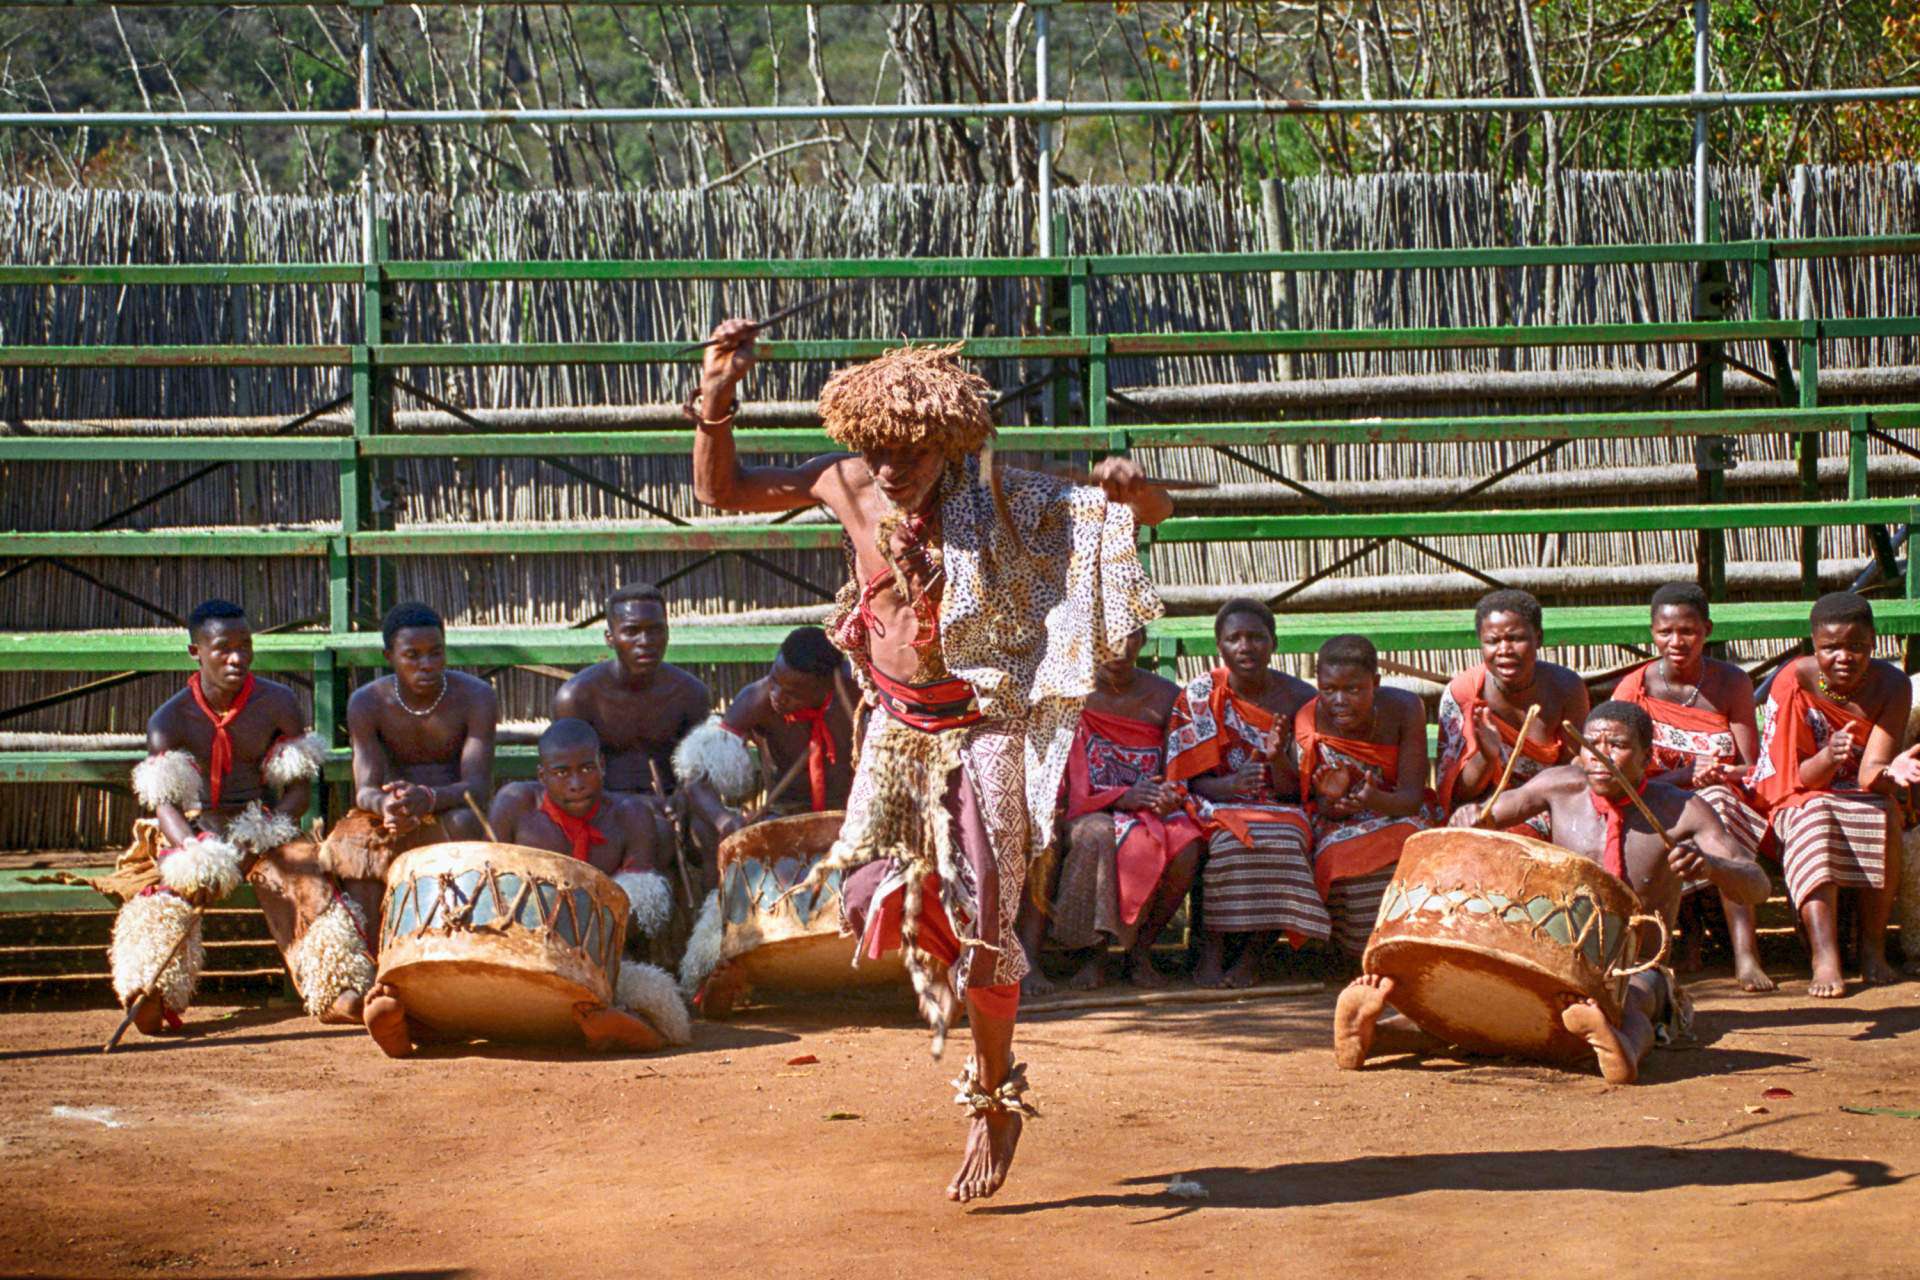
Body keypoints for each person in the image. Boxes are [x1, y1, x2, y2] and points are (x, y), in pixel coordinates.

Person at [690, 321, 1168, 1203]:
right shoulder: (847, 484)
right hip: (897, 729)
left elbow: (1134, 519)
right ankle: (963, 966)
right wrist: (717, 398)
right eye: (875, 449)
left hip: (985, 724)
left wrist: (1134, 495)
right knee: (874, 900)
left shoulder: (1006, 497)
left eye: (909, 450)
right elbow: (724, 493)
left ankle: (992, 1096)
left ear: (948, 443)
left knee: (986, 914)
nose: (891, 467)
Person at [1338, 702, 1771, 1083]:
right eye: (1592, 744)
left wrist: (1712, 866)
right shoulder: (1561, 785)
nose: (1600, 756)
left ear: (1647, 755)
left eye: (1616, 745)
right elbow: (1490, 815)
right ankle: (1383, 1033)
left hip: (1632, 965)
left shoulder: (1682, 810)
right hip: (1550, 955)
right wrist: (1473, 816)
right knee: (1480, 1009)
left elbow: (1755, 884)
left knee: (1638, 998)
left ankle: (1620, 1048)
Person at [89, 601, 356, 1035]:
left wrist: (266, 832)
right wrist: (195, 850)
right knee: (167, 886)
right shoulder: (169, 719)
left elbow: (300, 791)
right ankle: (150, 990)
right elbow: (165, 805)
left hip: (265, 822)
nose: (237, 658)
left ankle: (338, 986)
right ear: (196, 652)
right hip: (195, 828)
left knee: (307, 876)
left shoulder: (278, 702)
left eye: (245, 646)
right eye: (223, 648)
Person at [361, 719, 690, 1057]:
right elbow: (486, 889)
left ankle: (610, 1026)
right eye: (562, 773)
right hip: (503, 957)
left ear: (603, 766)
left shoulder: (631, 814)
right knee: (442, 995)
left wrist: (578, 947)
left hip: (599, 971)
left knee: (662, 1005)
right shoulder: (516, 804)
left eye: (587, 768)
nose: (576, 783)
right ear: (542, 775)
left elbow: (642, 912)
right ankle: (401, 1031)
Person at [1014, 627, 1202, 994]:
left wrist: (1168, 793)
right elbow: (1050, 771)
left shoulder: (1165, 697)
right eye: (1106, 636)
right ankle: (1083, 955)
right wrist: (1118, 797)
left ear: (1143, 639)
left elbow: (1183, 763)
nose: (1119, 647)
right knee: (1093, 834)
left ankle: (1139, 952)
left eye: (1129, 636)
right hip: (1077, 806)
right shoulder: (1065, 694)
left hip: (1148, 808)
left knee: (1189, 842)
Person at [1750, 592, 1920, 997]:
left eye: (1857, 647)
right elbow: (1789, 777)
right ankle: (1824, 956)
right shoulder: (1793, 680)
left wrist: (1893, 774)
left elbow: (1870, 773)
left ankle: (1872, 949)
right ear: (1814, 646)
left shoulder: (1891, 685)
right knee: (1817, 813)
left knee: (1884, 813)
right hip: (1799, 793)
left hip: (1860, 793)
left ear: (1874, 643)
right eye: (1831, 648)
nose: (1844, 657)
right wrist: (1828, 756)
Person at [1612, 583, 1773, 991]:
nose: (1676, 641)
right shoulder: (1636, 689)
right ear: (1652, 632)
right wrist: (1683, 779)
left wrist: (1718, 775)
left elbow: (1749, 765)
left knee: (1714, 804)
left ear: (1707, 630)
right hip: (1658, 795)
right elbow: (1620, 773)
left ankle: (1745, 952)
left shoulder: (1731, 682)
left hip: (1725, 795)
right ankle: (1682, 939)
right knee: (1672, 810)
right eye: (1666, 632)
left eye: (1688, 631)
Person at [1165, 599, 1321, 989]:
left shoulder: (1300, 698)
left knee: (1285, 840)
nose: (1245, 646)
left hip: (1280, 805)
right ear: (1220, 647)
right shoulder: (1200, 694)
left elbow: (1299, 788)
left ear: (1274, 644)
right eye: (1234, 638)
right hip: (1212, 801)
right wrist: (1229, 787)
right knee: (1229, 842)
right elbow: (1183, 777)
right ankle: (1212, 951)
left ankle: (1254, 956)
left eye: (1256, 637)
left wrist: (1277, 760)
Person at [327, 602, 497, 929]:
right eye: (412, 655)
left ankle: (457, 941)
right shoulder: (367, 702)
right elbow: (365, 790)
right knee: (354, 844)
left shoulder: (476, 697)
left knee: (464, 822)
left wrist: (429, 797)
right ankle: (374, 959)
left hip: (451, 809)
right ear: (388, 656)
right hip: (393, 817)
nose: (427, 665)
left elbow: (477, 787)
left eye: (436, 653)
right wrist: (388, 806)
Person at [1297, 634, 1441, 959]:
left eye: (1353, 689)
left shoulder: (1405, 709)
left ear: (1375, 682)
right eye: (1328, 689)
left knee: (1415, 841)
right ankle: (1358, 954)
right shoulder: (1310, 719)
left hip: (1397, 811)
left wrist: (1373, 800)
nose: (1339, 701)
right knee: (1336, 855)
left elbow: (1410, 796)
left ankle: (1412, 952)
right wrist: (1332, 802)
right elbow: (1315, 806)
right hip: (1336, 823)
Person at [678, 625, 858, 875]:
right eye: (774, 680)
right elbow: (695, 778)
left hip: (853, 813)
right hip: (785, 817)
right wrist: (723, 819)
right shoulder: (755, 700)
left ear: (826, 685)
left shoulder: (856, 692)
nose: (777, 696)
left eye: (793, 692)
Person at [1436, 588, 1590, 833]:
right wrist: (1486, 756)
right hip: (1484, 808)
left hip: (1546, 803)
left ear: (1538, 638)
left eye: (1516, 638)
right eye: (1493, 641)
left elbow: (1573, 768)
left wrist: (1527, 798)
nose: (1504, 650)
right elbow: (1457, 793)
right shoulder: (1464, 694)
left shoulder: (1566, 688)